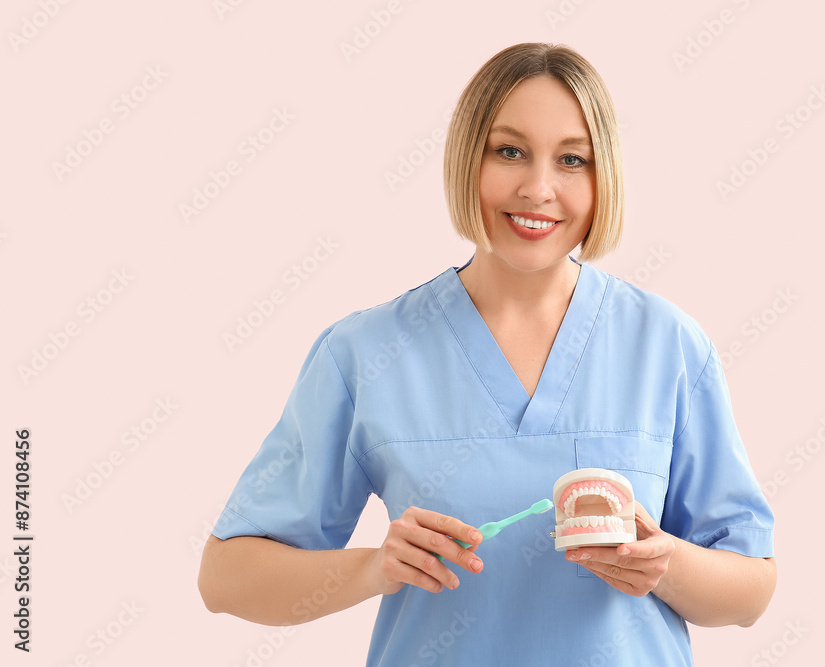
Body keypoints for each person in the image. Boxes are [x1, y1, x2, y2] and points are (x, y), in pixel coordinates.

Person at [198, 42, 776, 666]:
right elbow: (224, 577)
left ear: (602, 173)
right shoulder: (364, 354)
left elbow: (751, 591)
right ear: (466, 160)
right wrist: (375, 568)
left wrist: (667, 564)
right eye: (509, 151)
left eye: (572, 159)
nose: (538, 188)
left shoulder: (669, 346)